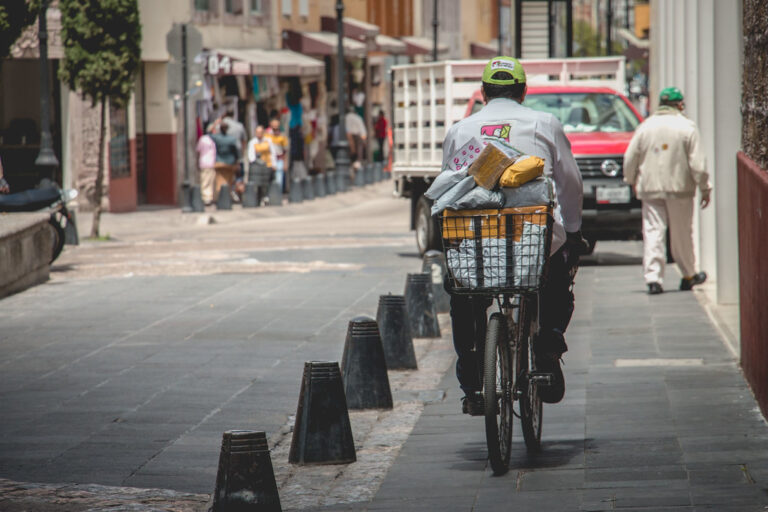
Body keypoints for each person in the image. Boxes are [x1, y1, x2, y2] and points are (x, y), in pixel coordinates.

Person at [441, 56, 587, 413]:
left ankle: (474, 378)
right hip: (534, 237)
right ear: (523, 92)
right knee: (556, 273)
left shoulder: (461, 129)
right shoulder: (544, 123)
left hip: (477, 243)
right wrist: (573, 230)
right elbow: (570, 182)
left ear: (483, 92)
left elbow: (448, 184)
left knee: (464, 295)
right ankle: (549, 342)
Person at [623, 86, 712, 295]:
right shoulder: (686, 127)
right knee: (682, 233)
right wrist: (705, 188)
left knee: (653, 231)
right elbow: (698, 164)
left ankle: (653, 279)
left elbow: (630, 157)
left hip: (650, 187)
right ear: (680, 104)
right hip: (679, 188)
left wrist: (631, 179)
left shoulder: (646, 127)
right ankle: (688, 274)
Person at [209, 119, 241, 201]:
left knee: (219, 181)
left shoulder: (216, 138)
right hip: (230, 163)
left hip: (219, 162)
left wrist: (214, 124)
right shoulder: (232, 139)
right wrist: (237, 161)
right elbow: (236, 152)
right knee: (229, 181)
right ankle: (227, 198)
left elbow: (208, 134)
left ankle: (220, 198)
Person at [266, 117, 288, 191]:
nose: (275, 126)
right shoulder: (267, 135)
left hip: (279, 159)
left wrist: (285, 163)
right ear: (271, 125)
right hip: (269, 160)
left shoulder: (282, 136)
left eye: (276, 125)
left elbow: (285, 151)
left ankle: (278, 193)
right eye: (273, 125)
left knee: (279, 177)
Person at [195, 129, 217, 205]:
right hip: (208, 162)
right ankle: (207, 198)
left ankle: (208, 198)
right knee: (207, 181)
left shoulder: (204, 139)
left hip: (206, 162)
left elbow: (198, 150)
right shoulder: (209, 139)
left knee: (207, 181)